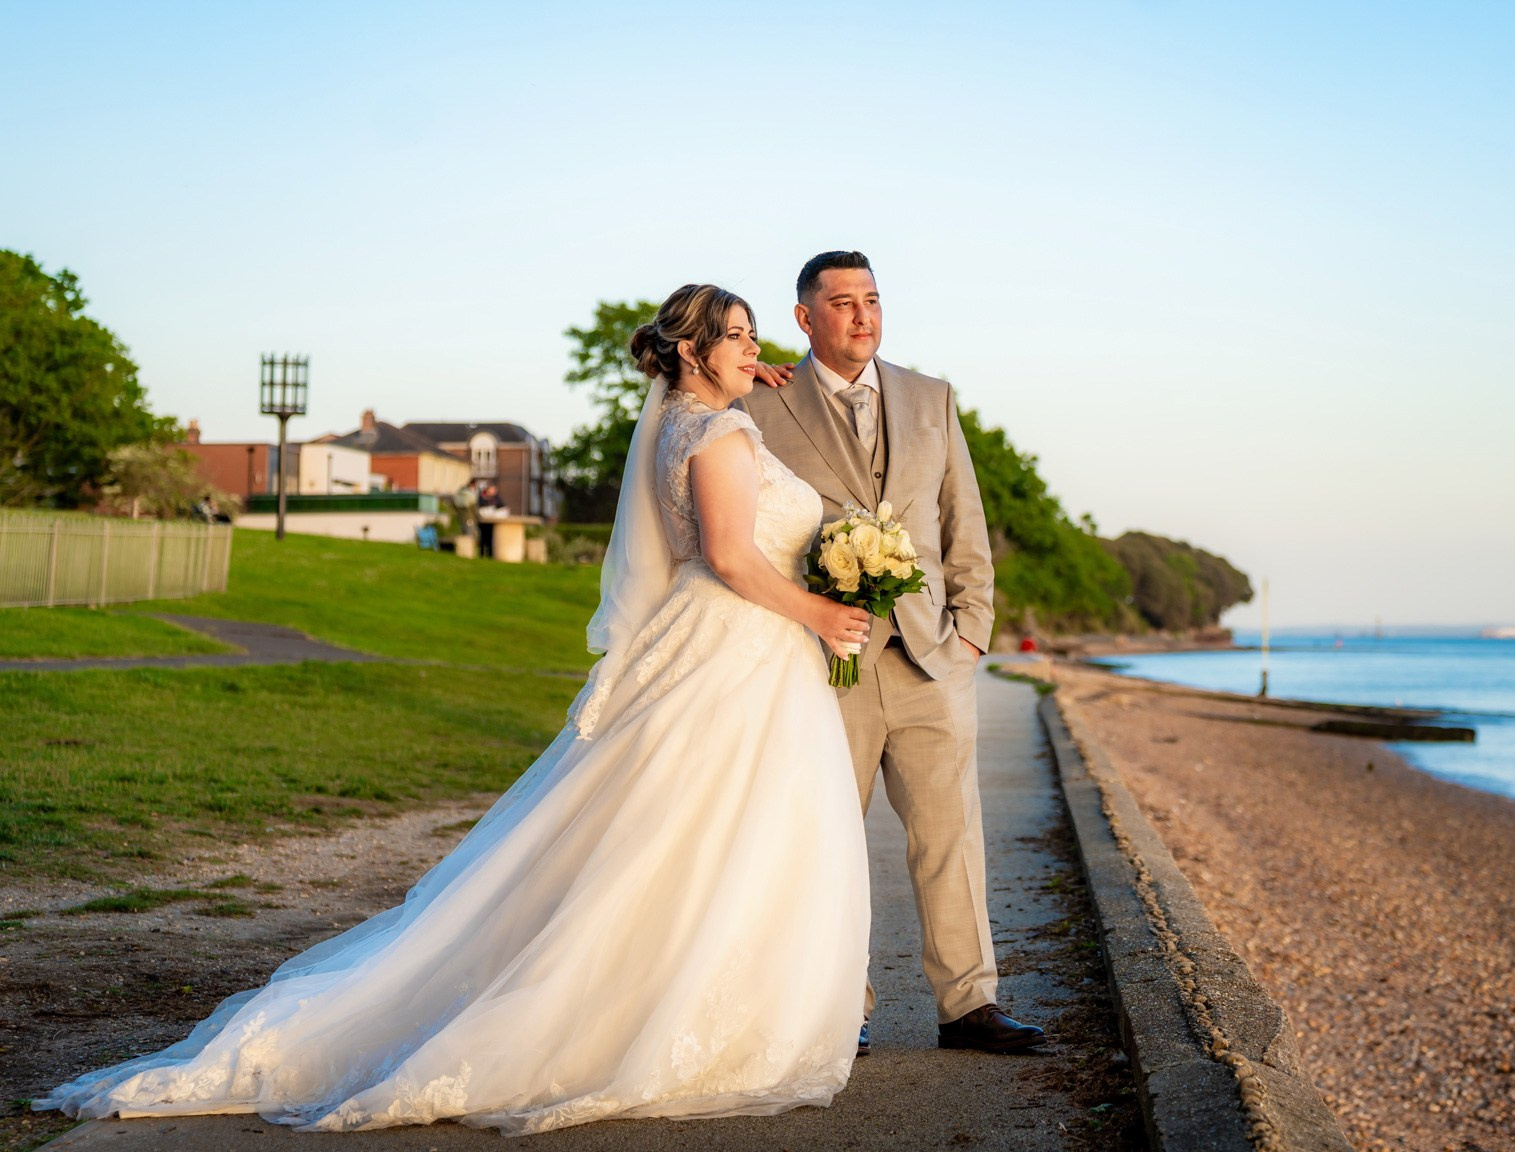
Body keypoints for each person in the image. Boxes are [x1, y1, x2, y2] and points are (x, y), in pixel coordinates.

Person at [36, 284, 877, 1135]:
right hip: (740, 643)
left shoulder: (680, 424)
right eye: (733, 337)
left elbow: (719, 525)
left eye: (753, 335)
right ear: (691, 352)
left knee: (685, 828)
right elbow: (732, 555)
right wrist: (822, 612)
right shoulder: (722, 432)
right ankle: (675, 1007)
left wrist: (739, 374)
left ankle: (666, 986)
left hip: (716, 641)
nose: (751, 349)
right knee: (715, 829)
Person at [737, 250, 1044, 1053]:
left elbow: (961, 524)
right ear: (805, 319)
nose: (863, 316)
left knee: (952, 837)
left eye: (872, 299)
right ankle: (843, 1005)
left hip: (933, 659)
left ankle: (970, 1005)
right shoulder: (765, 406)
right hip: (823, 666)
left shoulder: (931, 398)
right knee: (827, 845)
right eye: (842, 303)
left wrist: (972, 629)